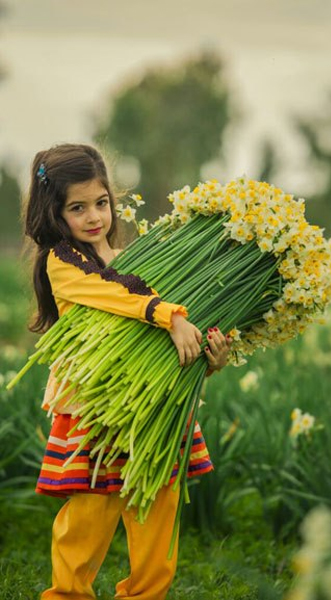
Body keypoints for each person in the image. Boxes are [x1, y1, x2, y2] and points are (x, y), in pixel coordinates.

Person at [23, 143, 230, 599]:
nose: (94, 216)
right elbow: (115, 295)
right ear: (55, 214)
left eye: (101, 202)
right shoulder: (65, 262)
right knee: (87, 523)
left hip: (155, 409)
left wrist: (210, 357)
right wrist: (170, 315)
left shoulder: (137, 262)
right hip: (94, 409)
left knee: (158, 520)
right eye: (78, 208)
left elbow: (166, 348)